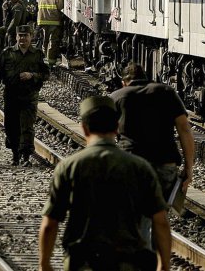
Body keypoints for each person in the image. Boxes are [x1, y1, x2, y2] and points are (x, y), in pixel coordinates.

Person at [38, 95, 171, 271]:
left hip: (84, 262)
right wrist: (164, 265)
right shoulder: (140, 167)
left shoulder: (69, 167)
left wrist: (44, 264)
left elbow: (50, 223)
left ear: (84, 128)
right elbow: (160, 222)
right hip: (128, 263)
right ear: (116, 128)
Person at [111, 62, 195, 228]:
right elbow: (184, 129)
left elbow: (105, 133)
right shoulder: (166, 92)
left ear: (124, 82)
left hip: (130, 163)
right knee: (159, 216)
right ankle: (155, 241)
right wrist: (189, 167)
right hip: (164, 164)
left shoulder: (116, 96)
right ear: (146, 78)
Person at [0, 24, 49, 166]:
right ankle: (15, 153)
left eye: (25, 36)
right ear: (16, 37)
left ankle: (26, 155)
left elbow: (46, 74)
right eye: (20, 36)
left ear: (31, 37)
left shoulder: (37, 54)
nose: (23, 38)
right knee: (11, 126)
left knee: (27, 126)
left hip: (29, 95)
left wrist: (32, 75)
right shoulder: (7, 53)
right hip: (11, 95)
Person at [37, 0, 64, 66]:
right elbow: (60, 7)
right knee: (53, 41)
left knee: (45, 41)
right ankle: (51, 62)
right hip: (54, 21)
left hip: (42, 21)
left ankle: (44, 59)